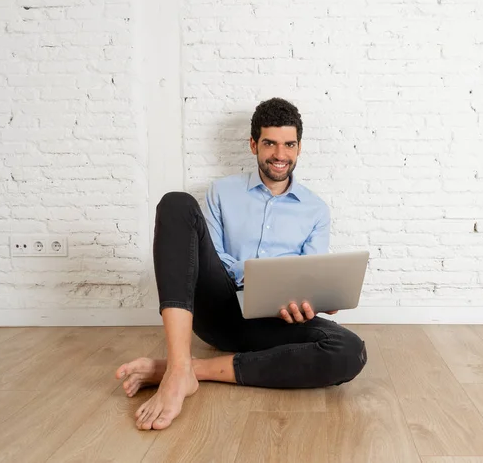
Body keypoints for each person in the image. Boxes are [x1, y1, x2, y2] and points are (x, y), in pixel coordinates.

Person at [115, 98, 368, 431]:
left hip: (275, 321)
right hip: (219, 307)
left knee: (349, 351)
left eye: (289, 144)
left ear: (299, 148)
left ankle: (187, 370)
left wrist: (314, 300)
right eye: (270, 143)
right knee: (176, 203)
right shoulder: (221, 192)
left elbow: (311, 271)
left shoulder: (316, 210)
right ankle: (180, 369)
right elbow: (207, 259)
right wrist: (251, 276)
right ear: (254, 144)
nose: (280, 154)